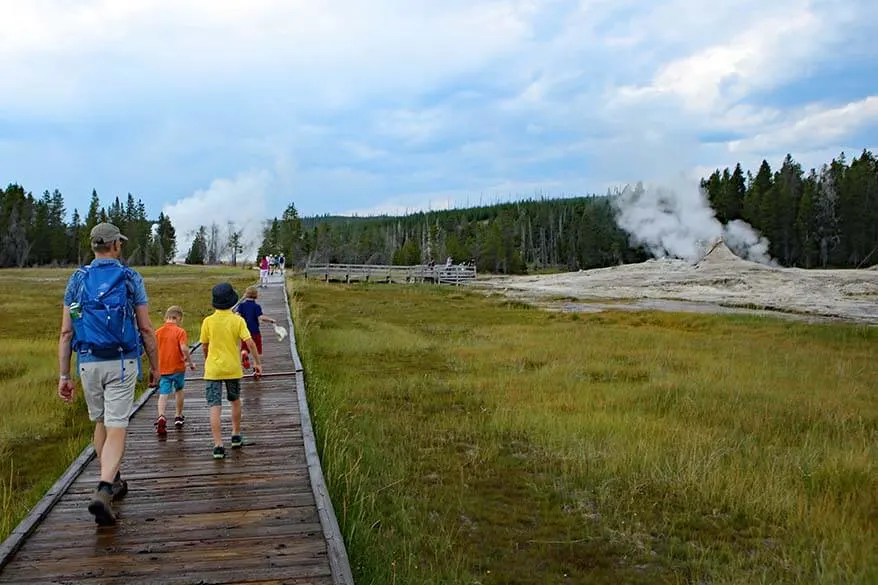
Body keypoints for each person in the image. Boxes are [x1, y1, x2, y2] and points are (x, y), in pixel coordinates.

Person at [58, 222, 159, 526]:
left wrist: (64, 375)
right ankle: (104, 489)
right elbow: (145, 328)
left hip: (88, 361)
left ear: (93, 246)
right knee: (117, 426)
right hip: (122, 361)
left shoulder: (77, 281)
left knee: (102, 422)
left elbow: (66, 332)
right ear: (115, 246)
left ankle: (112, 479)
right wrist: (155, 366)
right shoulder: (129, 278)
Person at [200, 283, 262, 459]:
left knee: (214, 406)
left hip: (213, 370)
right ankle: (235, 435)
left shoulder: (208, 322)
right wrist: (257, 362)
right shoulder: (238, 320)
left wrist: (208, 360)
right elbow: (249, 342)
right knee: (235, 401)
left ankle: (218, 445)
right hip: (232, 369)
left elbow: (204, 346)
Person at [154, 305, 196, 436]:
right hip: (178, 367)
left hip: (163, 368)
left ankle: (161, 416)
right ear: (179, 318)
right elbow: (184, 348)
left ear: (165, 318)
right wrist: (189, 361)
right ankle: (178, 416)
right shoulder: (180, 331)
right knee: (179, 390)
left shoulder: (158, 332)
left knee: (163, 393)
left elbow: (153, 349)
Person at [234, 285, 277, 369]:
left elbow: (237, 315)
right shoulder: (256, 307)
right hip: (255, 331)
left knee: (244, 347)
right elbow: (261, 317)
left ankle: (244, 353)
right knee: (256, 351)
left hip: (244, 332)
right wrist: (271, 320)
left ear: (246, 294)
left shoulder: (241, 306)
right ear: (256, 296)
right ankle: (256, 367)